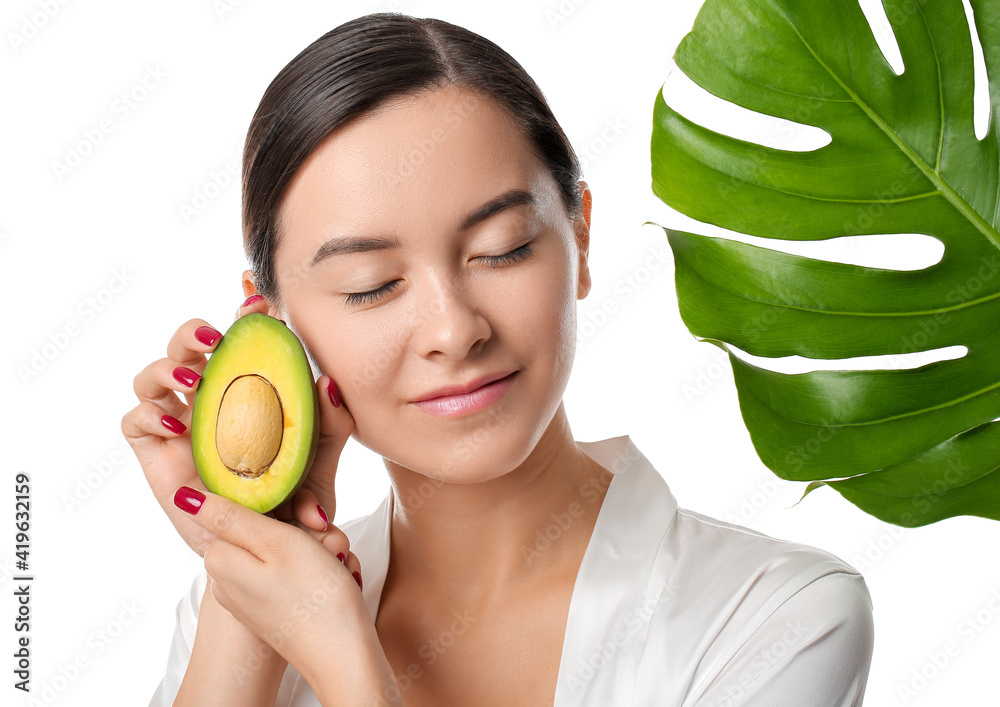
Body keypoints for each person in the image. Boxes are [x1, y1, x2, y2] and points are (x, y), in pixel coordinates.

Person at [122, 11, 875, 706]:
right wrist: (247, 544)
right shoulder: (231, 612)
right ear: (272, 319)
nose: (454, 329)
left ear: (580, 236)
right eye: (371, 286)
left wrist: (344, 657)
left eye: (502, 248)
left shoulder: (779, 612)